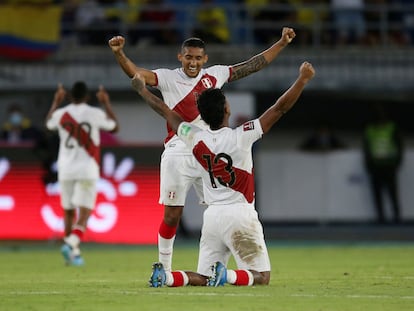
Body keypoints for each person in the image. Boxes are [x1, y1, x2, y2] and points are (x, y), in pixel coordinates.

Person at [108, 27, 296, 273]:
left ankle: (215, 269)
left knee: (218, 210)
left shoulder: (216, 74)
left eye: (198, 58)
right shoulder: (167, 77)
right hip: (178, 150)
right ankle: (163, 268)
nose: (193, 62)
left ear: (204, 59)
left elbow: (253, 65)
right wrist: (120, 54)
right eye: (188, 57)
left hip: (207, 152)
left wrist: (281, 43)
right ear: (180, 57)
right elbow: (137, 74)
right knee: (172, 215)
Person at [131, 61, 315, 287]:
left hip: (212, 218)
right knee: (262, 277)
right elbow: (279, 108)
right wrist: (302, 80)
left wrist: (141, 90)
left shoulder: (194, 137)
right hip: (240, 215)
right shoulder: (242, 136)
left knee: (206, 277)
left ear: (202, 114)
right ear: (227, 109)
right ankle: (227, 275)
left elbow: (167, 112)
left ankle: (167, 276)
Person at [45, 81, 119, 266]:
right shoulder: (95, 113)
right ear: (87, 96)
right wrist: (106, 102)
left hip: (66, 168)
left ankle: (73, 254)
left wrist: (56, 101)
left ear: (69, 96)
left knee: (68, 212)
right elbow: (114, 127)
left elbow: (48, 125)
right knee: (85, 212)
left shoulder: (62, 114)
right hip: (87, 168)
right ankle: (71, 244)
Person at [362, 104, 403, 224]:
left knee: (393, 193)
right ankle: (381, 218)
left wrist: (397, 162)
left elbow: (399, 145)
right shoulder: (369, 129)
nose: (380, 117)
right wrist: (368, 165)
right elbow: (366, 148)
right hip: (375, 166)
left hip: (389, 165)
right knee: (377, 194)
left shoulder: (391, 127)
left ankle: (396, 217)